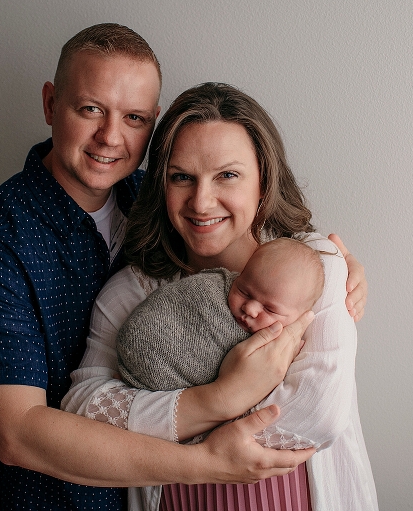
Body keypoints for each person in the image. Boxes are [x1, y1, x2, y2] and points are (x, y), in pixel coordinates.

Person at [0, 23, 367, 511]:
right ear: (50, 104)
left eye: (133, 117)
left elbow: (321, 409)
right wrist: (216, 424)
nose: (111, 138)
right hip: (55, 500)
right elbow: (19, 433)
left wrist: (334, 260)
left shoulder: (142, 198)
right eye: (90, 109)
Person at [62, 83, 378, 510]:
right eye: (182, 177)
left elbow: (319, 412)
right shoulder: (131, 291)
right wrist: (217, 405)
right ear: (161, 186)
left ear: (263, 181)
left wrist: (167, 429)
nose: (202, 201)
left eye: (227, 175)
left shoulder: (317, 265)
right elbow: (84, 410)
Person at [116, 238, 326, 391]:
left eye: (269, 309)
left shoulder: (293, 341)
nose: (250, 309)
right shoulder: (213, 286)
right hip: (143, 340)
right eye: (243, 291)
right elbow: (177, 300)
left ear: (300, 316)